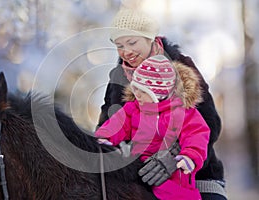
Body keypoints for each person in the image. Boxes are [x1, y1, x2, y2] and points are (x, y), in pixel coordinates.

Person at [97, 8, 227, 200]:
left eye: (132, 42)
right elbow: (108, 124)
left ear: (151, 38)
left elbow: (209, 124)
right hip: (139, 174)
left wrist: (174, 156)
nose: (127, 51)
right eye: (119, 45)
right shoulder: (118, 77)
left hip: (194, 175)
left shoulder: (181, 65)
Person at [96, 55, 210, 200]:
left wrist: (190, 156)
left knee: (175, 193)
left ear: (158, 93)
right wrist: (104, 138)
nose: (136, 94)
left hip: (174, 170)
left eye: (142, 91)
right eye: (135, 89)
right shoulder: (133, 109)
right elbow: (117, 124)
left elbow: (196, 133)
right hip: (139, 165)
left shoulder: (181, 112)